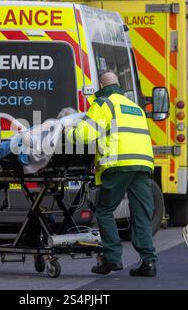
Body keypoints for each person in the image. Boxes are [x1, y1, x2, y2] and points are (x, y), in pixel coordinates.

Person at [67, 71, 157, 277]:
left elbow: (83, 135)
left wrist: (67, 133)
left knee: (104, 210)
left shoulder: (104, 104)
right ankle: (149, 262)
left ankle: (112, 258)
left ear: (101, 85)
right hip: (142, 165)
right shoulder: (135, 107)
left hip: (118, 163)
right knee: (141, 214)